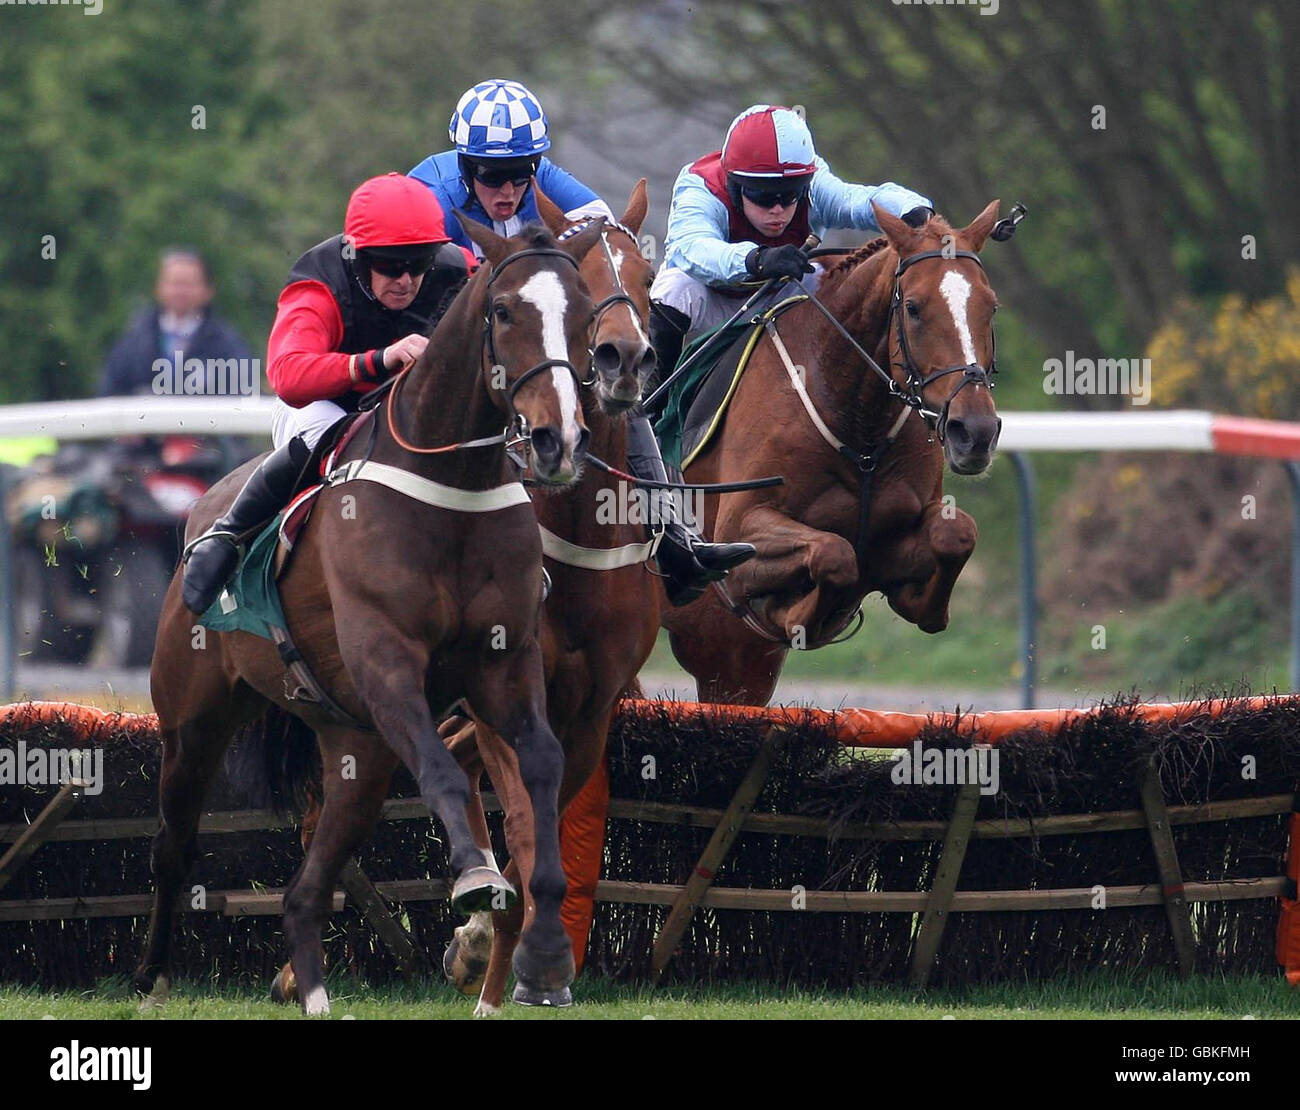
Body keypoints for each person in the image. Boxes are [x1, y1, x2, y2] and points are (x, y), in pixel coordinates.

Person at [412, 78, 754, 605]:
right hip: (438, 333)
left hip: (517, 335)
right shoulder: (428, 192)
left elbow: (610, 241)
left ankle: (674, 538)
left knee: (616, 390)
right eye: (490, 175)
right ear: (464, 166)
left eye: (519, 174)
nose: (507, 190)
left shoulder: (547, 180)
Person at [180, 173, 472, 615]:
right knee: (326, 433)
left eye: (419, 263)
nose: (407, 280)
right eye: (391, 266)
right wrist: (377, 360)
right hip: (326, 407)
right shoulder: (318, 284)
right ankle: (227, 535)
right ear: (358, 255)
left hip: (410, 410)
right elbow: (289, 377)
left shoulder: (459, 269)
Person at [646, 104, 936, 390]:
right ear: (735, 186)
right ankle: (650, 403)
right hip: (712, 298)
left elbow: (856, 200)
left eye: (790, 196)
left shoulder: (813, 182)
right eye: (763, 196)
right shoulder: (701, 185)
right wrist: (756, 260)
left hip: (783, 295)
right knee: (675, 288)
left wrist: (913, 211)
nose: (778, 210)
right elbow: (692, 246)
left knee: (840, 283)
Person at [98, 248, 252, 397]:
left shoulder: (226, 343)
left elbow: (242, 393)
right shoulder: (135, 338)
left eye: (188, 284)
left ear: (208, 290)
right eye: (174, 283)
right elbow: (110, 391)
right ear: (158, 288)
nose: (180, 291)